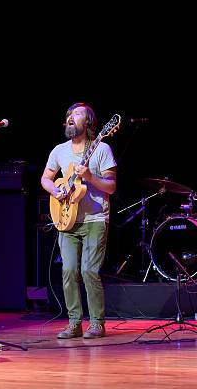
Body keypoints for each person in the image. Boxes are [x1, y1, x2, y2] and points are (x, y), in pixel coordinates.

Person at [41, 102, 117, 339]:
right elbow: (46, 178)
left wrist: (90, 177)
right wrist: (55, 190)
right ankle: (74, 322)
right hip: (68, 219)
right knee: (69, 270)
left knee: (89, 271)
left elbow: (111, 187)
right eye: (69, 114)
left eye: (78, 113)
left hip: (95, 218)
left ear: (89, 122)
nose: (72, 117)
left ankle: (96, 323)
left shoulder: (101, 148)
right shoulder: (59, 150)